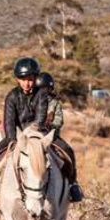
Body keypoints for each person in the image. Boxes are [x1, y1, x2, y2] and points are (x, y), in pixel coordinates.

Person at [0, 57, 48, 208]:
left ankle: (72, 185)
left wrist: (31, 136)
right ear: (17, 79)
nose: (27, 83)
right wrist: (13, 140)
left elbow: (40, 120)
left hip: (36, 136)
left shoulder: (41, 94)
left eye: (30, 79)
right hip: (15, 136)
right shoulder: (12, 96)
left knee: (65, 149)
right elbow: (9, 121)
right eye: (23, 79)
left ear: (35, 78)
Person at [37, 72, 83, 202]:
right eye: (40, 89)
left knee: (68, 151)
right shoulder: (31, 102)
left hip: (51, 136)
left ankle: (73, 184)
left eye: (46, 89)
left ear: (51, 89)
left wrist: (49, 125)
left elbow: (59, 120)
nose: (43, 92)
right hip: (34, 135)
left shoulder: (55, 103)